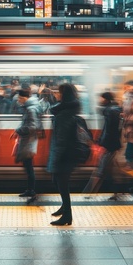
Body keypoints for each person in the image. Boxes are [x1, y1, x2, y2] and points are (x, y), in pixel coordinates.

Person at [47, 83, 80, 226]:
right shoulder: (67, 110)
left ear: (64, 95)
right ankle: (64, 207)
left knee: (61, 183)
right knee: (58, 182)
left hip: (64, 155)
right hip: (68, 153)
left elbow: (61, 140)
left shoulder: (63, 114)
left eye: (58, 92)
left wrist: (55, 160)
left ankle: (67, 215)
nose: (56, 94)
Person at [82, 92, 122, 193]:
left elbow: (108, 130)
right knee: (109, 170)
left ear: (106, 99)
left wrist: (103, 144)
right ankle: (116, 193)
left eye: (101, 98)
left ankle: (87, 193)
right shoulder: (113, 110)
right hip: (112, 145)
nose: (100, 100)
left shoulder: (110, 112)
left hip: (109, 146)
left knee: (101, 170)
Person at [11, 87, 41, 198]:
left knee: (28, 166)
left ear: (24, 98)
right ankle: (30, 189)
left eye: (19, 98)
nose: (18, 100)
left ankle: (31, 190)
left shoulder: (30, 109)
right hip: (28, 141)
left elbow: (32, 126)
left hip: (28, 142)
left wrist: (18, 130)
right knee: (28, 166)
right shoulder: (29, 107)